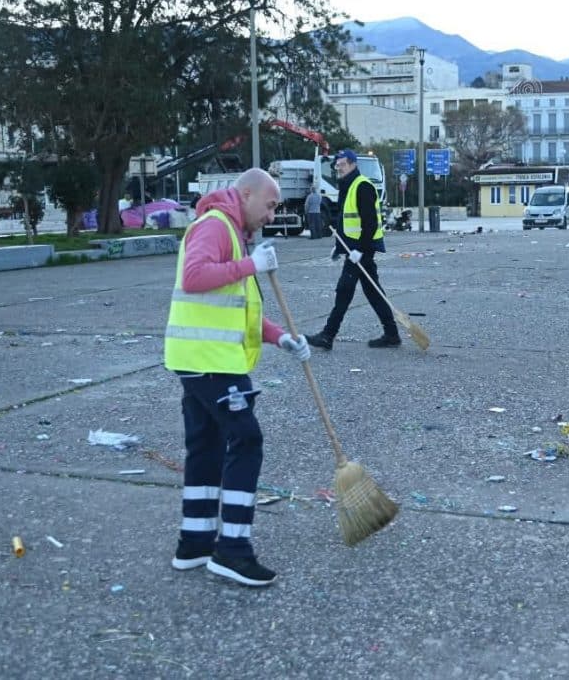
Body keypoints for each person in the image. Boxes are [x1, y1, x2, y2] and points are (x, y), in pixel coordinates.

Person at [163, 167, 311, 587]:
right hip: (211, 362)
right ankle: (232, 550)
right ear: (245, 194)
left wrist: (281, 337)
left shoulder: (231, 231)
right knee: (247, 440)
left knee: (206, 448)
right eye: (270, 205)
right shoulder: (215, 226)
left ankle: (194, 543)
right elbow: (195, 278)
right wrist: (250, 265)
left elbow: (237, 309)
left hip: (200, 359)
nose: (272, 215)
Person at [305, 149, 400, 350]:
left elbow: (370, 224)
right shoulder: (347, 185)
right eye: (337, 165)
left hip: (361, 249)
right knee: (373, 291)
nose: (338, 168)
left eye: (342, 164)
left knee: (344, 291)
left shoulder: (362, 186)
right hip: (353, 249)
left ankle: (328, 335)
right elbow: (345, 221)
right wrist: (339, 247)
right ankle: (392, 334)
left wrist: (361, 251)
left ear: (352, 164)